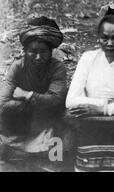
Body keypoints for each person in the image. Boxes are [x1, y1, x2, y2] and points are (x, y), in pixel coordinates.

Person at [65, 4, 114, 172]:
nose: (109, 43)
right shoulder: (88, 58)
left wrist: (103, 109)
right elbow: (71, 100)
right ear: (98, 38)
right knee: (72, 114)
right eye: (104, 38)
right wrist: (108, 101)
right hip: (93, 114)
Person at [0, 16, 67, 164]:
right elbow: (3, 103)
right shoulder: (17, 67)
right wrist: (38, 102)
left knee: (56, 155)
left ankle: (52, 159)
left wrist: (27, 95)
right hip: (22, 120)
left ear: (51, 52)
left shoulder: (57, 68)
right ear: (24, 50)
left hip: (49, 120)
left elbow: (56, 100)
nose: (38, 57)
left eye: (43, 52)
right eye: (32, 51)